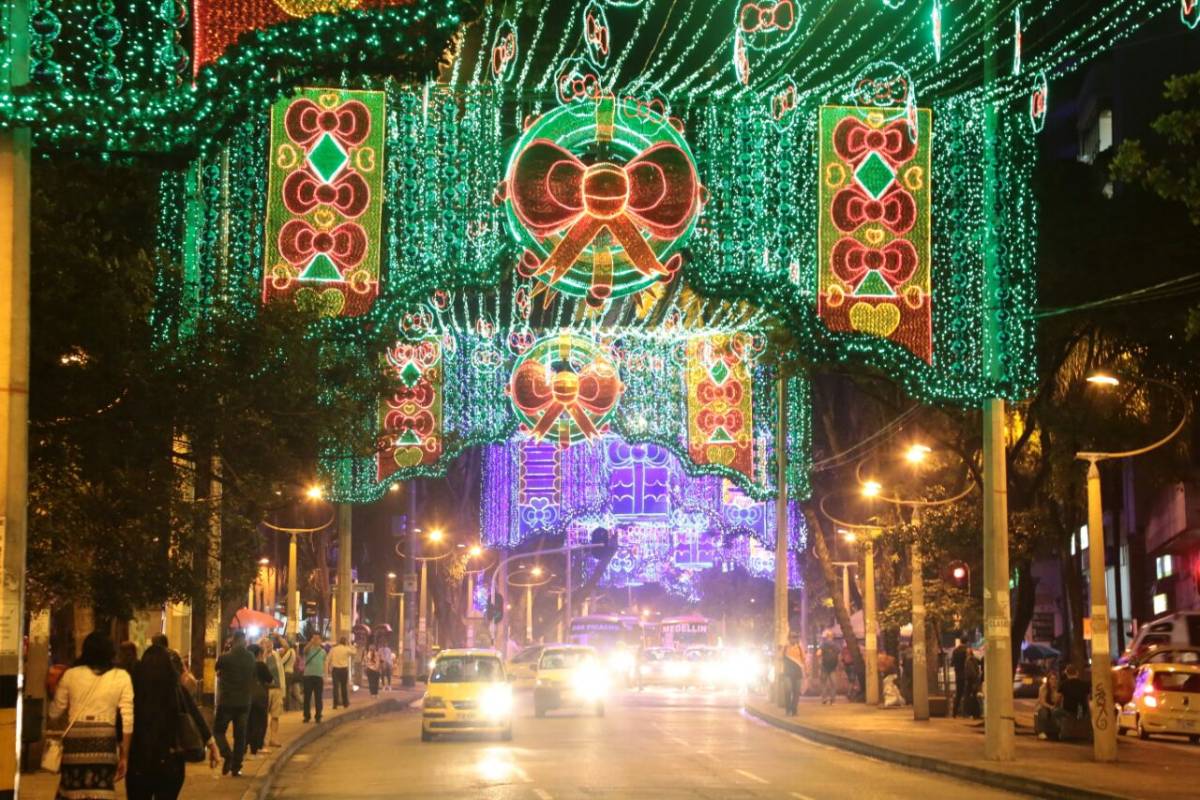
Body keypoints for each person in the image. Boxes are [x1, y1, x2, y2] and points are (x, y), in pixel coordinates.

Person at [48, 631, 135, 800]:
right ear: (111, 652)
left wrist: (53, 694)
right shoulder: (121, 677)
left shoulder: (71, 675)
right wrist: (124, 755)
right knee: (101, 792)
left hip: (74, 744)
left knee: (72, 790)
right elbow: (128, 719)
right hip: (105, 743)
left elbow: (54, 712)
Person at [127, 644, 219, 800]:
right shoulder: (176, 689)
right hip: (171, 761)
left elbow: (123, 722)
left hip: (140, 762)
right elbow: (195, 715)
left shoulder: (133, 692)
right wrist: (212, 746)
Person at [213, 630, 256, 776]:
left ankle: (227, 754)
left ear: (233, 640)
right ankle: (236, 766)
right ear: (244, 640)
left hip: (227, 701)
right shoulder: (250, 657)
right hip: (244, 702)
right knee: (240, 736)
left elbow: (217, 669)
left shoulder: (225, 658)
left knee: (218, 731)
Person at [246, 645, 273, 757]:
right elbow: (270, 679)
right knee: (260, 722)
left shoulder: (245, 665)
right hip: (259, 697)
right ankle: (256, 748)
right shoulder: (261, 665)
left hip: (246, 696)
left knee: (248, 723)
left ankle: (245, 748)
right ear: (258, 654)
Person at [260, 637, 285, 748]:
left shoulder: (276, 655)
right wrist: (264, 654)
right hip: (265, 689)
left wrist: (279, 637)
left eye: (270, 643)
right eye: (266, 643)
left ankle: (273, 739)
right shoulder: (260, 657)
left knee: (275, 715)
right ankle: (262, 739)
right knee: (263, 716)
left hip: (277, 688)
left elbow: (286, 647)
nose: (269, 645)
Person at [1055, 664, 1090, 734]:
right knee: (1084, 716)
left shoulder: (1064, 684)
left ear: (1067, 674)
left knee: (1055, 713)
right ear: (1077, 673)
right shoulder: (1084, 684)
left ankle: (1061, 731)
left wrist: (1055, 706)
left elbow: (1058, 698)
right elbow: (1087, 699)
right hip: (1081, 710)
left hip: (1068, 710)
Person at [302, 633, 327, 723]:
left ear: (321, 640)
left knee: (318, 697)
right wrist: (310, 642)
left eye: (317, 638)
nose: (316, 640)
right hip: (308, 676)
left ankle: (318, 715)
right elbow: (304, 651)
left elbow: (325, 663)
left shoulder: (323, 651)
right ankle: (306, 716)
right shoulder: (309, 649)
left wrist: (325, 675)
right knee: (307, 697)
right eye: (314, 638)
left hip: (318, 676)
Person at [783, 634, 807, 715]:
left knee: (796, 692)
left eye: (796, 637)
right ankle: (788, 708)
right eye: (793, 638)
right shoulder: (785, 647)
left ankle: (794, 709)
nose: (794, 639)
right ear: (789, 639)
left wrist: (806, 671)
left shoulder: (800, 648)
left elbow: (803, 660)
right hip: (787, 672)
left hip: (798, 672)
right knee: (788, 690)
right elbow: (780, 658)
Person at [328, 636, 354, 709]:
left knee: (335, 688)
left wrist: (329, 669)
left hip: (335, 670)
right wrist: (350, 645)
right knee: (343, 687)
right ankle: (345, 704)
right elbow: (354, 652)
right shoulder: (346, 649)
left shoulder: (333, 649)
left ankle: (335, 704)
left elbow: (328, 659)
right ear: (345, 642)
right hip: (344, 670)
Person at [1036, 670, 1063, 741]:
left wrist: (1057, 694)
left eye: (1055, 679)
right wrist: (1050, 707)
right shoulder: (1043, 688)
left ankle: (1057, 732)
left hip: (1054, 707)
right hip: (1044, 706)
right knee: (1043, 713)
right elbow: (1042, 702)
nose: (1053, 681)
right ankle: (1041, 732)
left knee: (1059, 714)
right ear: (1048, 680)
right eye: (1052, 679)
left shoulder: (1058, 688)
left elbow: (1058, 701)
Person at [818, 631, 839, 705]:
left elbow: (818, 654)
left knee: (824, 683)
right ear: (832, 637)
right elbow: (839, 655)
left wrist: (820, 660)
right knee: (834, 684)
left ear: (826, 637)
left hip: (824, 667)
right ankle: (832, 700)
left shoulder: (823, 644)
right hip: (832, 667)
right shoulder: (835, 645)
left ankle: (824, 699)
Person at [950, 640, 968, 717]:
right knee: (967, 694)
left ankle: (955, 712)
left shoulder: (955, 651)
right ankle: (966, 712)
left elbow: (952, 663)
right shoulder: (966, 651)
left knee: (958, 694)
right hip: (965, 675)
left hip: (958, 674)